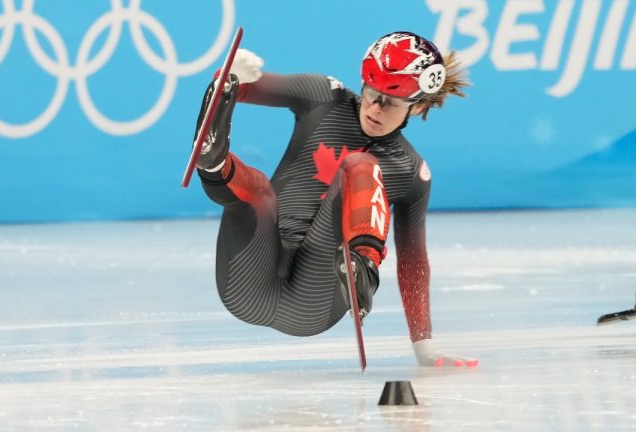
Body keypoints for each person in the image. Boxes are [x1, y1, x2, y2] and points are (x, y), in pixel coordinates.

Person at [192, 31, 477, 367]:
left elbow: (413, 261)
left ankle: (360, 266)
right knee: (260, 192)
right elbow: (249, 87)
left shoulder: (411, 172)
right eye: (371, 93)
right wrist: (231, 78)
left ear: (418, 107)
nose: (375, 108)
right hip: (248, 280)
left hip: (312, 300)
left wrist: (423, 344)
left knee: (360, 166)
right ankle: (213, 163)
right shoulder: (324, 96)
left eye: (391, 102)